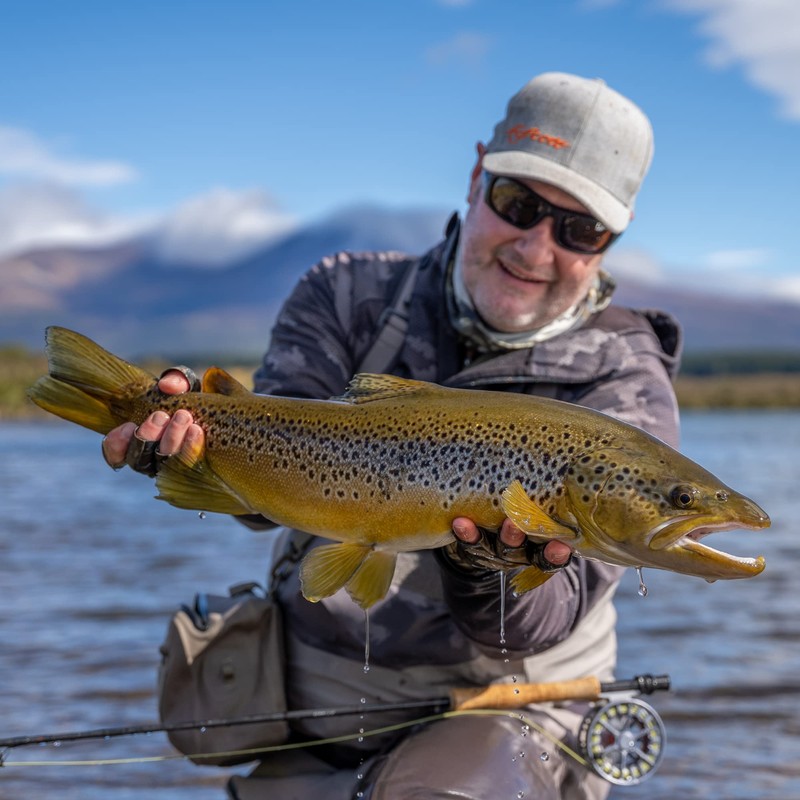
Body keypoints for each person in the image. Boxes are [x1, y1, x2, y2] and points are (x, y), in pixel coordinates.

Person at [102, 72, 681, 799]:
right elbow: (275, 471)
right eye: (518, 203)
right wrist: (190, 425)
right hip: (315, 705)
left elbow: (542, 622)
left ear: (613, 239)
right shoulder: (346, 294)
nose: (536, 249)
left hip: (509, 719)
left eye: (580, 229)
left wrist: (486, 562)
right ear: (476, 175)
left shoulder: (626, 380)